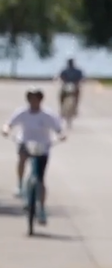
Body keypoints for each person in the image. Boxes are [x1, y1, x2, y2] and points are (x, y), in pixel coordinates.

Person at [1, 87, 65, 226]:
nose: (33, 101)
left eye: (36, 98)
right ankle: (19, 184)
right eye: (31, 98)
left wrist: (61, 135)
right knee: (22, 158)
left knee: (40, 179)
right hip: (25, 142)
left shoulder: (47, 115)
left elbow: (58, 128)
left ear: (41, 100)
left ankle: (41, 208)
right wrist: (6, 130)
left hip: (42, 146)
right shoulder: (22, 112)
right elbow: (9, 123)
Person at [56, 58, 84, 123]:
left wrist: (78, 83)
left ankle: (75, 107)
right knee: (61, 95)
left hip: (75, 85)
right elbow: (61, 77)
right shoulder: (64, 71)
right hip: (66, 85)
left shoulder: (77, 71)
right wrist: (63, 81)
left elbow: (81, 78)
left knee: (77, 94)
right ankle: (62, 107)